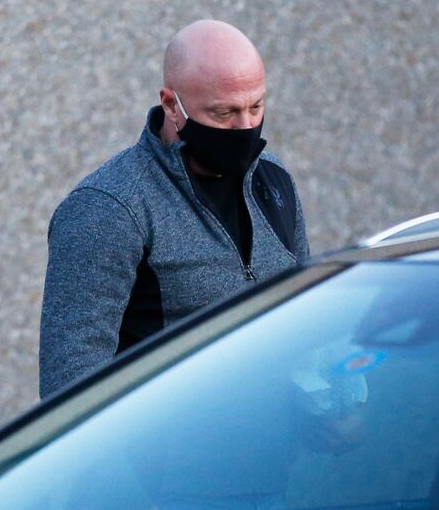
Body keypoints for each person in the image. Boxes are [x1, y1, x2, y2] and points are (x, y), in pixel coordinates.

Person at [39, 20, 309, 398]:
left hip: (279, 446)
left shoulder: (274, 179)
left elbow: (305, 322)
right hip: (170, 453)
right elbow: (71, 393)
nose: (246, 127)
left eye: (256, 106)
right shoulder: (108, 209)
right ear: (171, 104)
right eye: (223, 113)